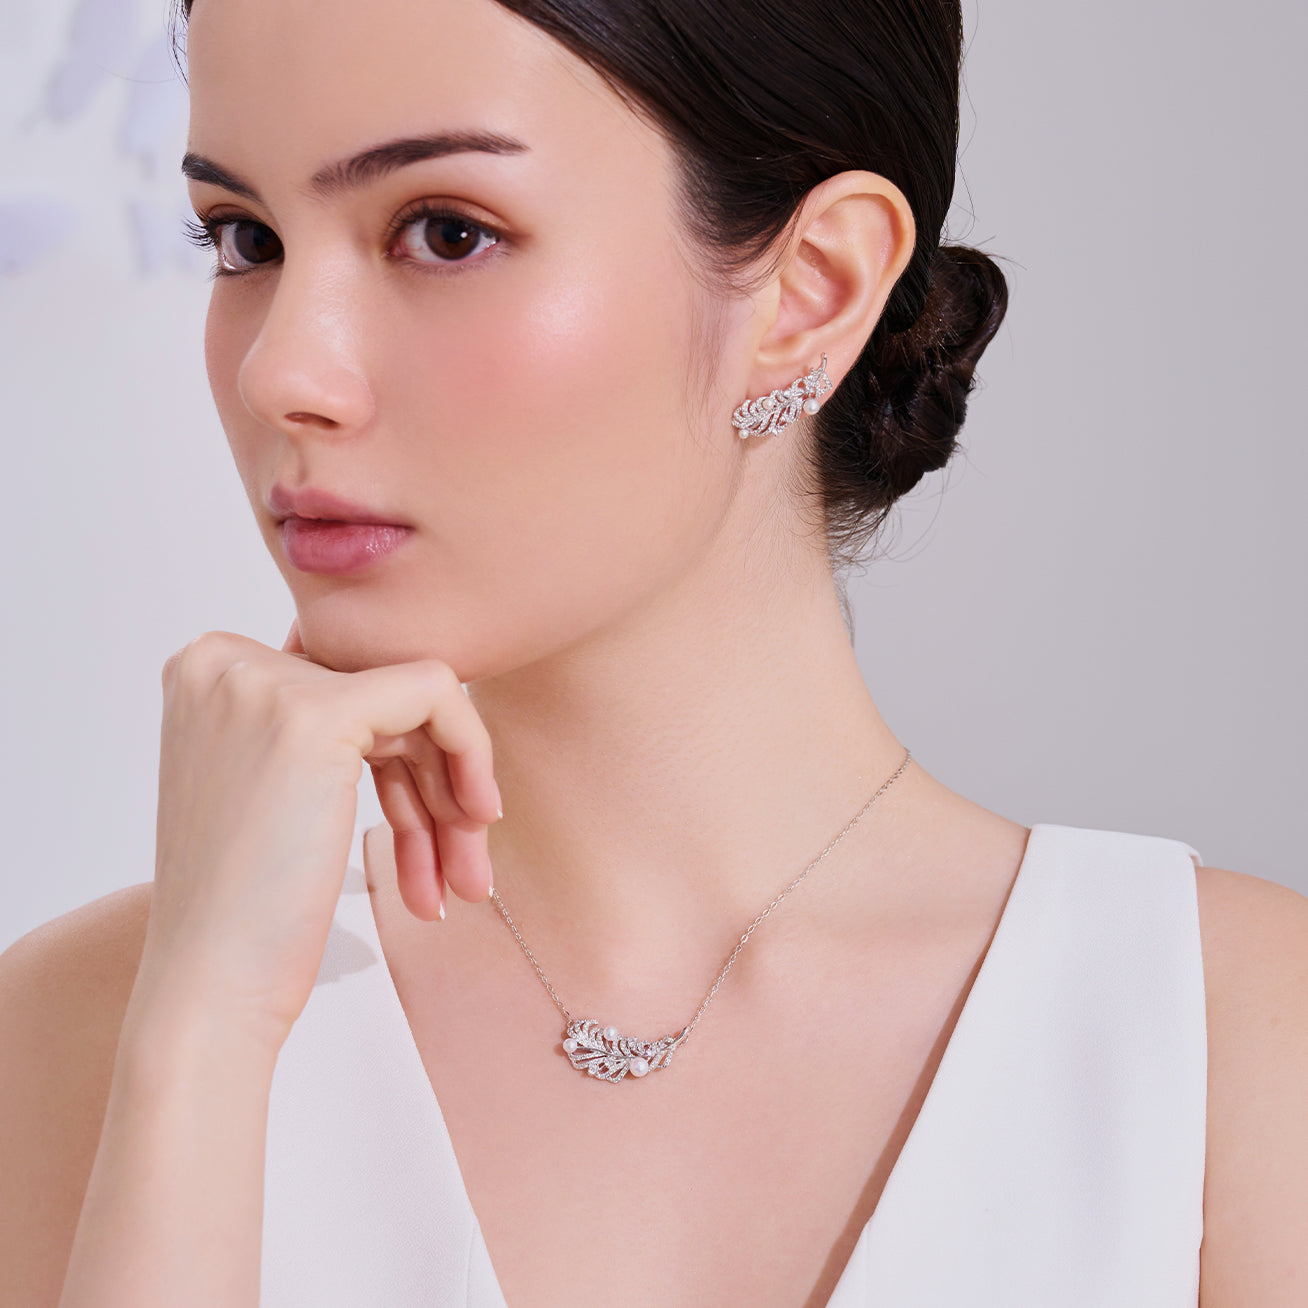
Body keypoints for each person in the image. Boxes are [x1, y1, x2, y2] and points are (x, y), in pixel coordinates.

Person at [1, 0, 1305, 1302]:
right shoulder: (84, 1032)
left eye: (447, 232)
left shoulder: (1238, 1047)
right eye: (247, 239)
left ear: (812, 290)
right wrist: (199, 1038)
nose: (283, 372)